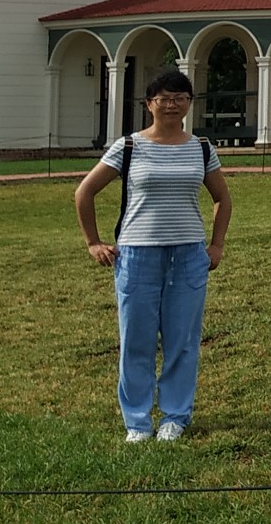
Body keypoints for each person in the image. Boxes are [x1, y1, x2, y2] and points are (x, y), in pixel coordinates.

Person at [74, 69, 232, 443]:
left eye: (181, 98)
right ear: (149, 104)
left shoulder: (202, 148)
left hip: (189, 255)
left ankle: (175, 417)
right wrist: (93, 242)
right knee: (137, 340)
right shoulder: (128, 147)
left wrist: (216, 244)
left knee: (182, 340)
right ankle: (138, 422)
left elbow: (222, 199)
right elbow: (84, 192)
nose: (173, 104)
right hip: (137, 255)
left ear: (189, 104)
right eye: (164, 98)